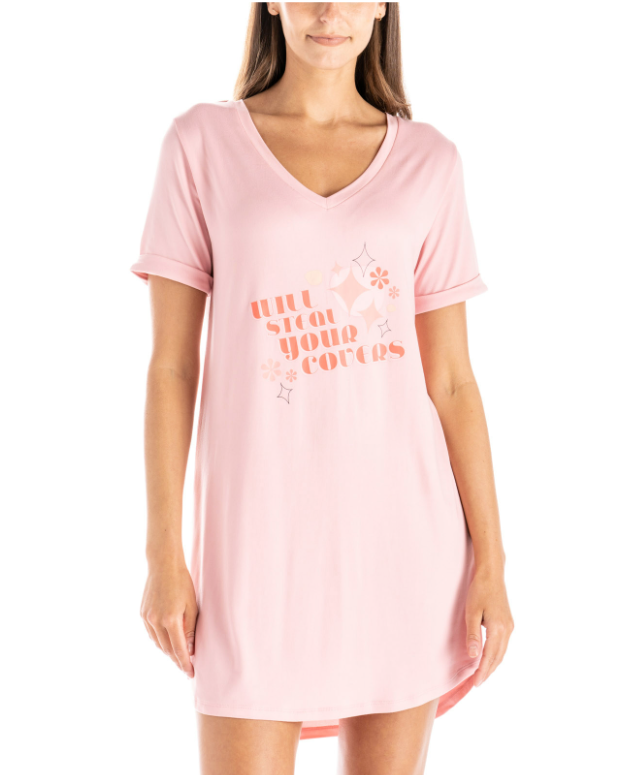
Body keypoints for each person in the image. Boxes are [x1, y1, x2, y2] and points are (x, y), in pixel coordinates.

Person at [131, 3, 514, 773]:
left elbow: (451, 381)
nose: (330, 12)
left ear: (382, 5)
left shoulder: (429, 162)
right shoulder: (201, 145)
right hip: (254, 554)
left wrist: (492, 563)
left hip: (403, 546)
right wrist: (164, 553)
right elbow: (172, 366)